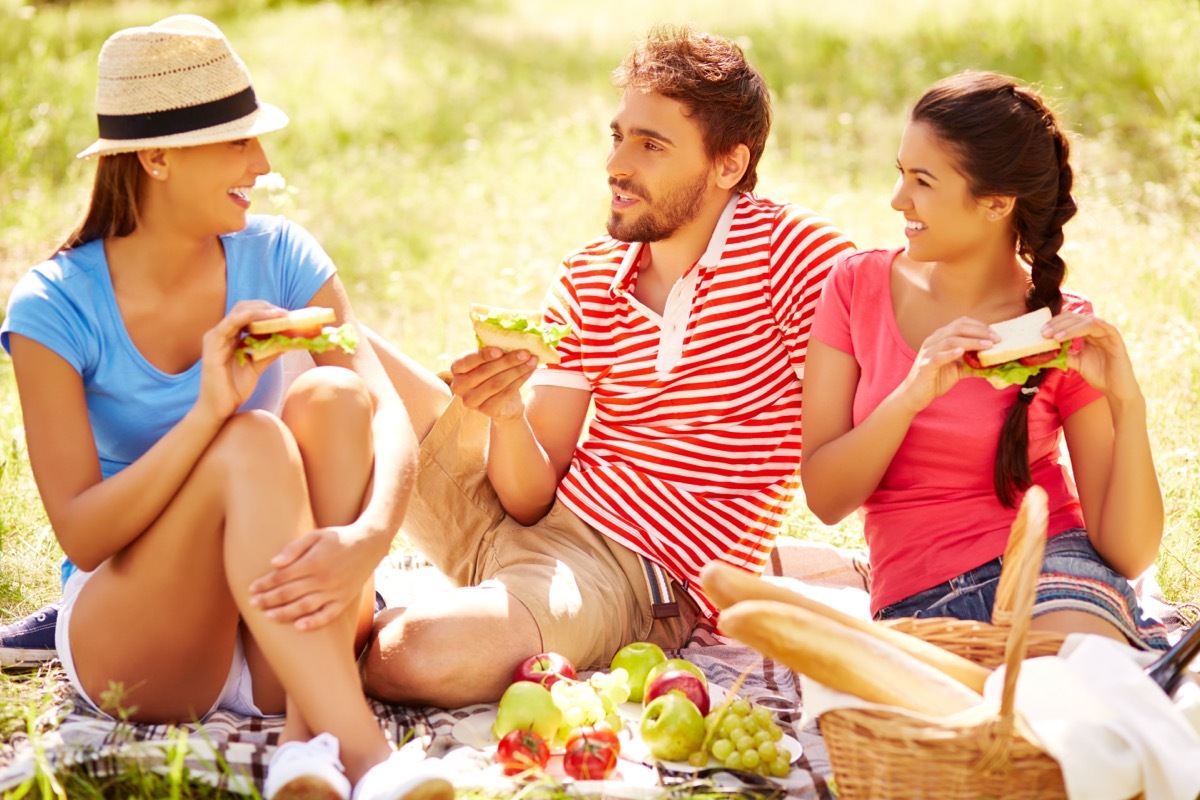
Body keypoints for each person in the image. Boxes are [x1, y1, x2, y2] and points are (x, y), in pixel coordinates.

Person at [0, 15, 452, 800]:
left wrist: (368, 539)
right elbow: (82, 529)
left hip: (281, 631)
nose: (264, 163)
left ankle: (302, 749)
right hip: (141, 642)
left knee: (334, 395)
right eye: (237, 141)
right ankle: (371, 759)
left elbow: (384, 413)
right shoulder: (54, 305)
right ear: (156, 156)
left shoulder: (281, 256)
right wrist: (210, 413)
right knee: (249, 441)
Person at [360, 25, 856, 708]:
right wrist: (505, 414)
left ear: (729, 165)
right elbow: (528, 497)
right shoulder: (592, 274)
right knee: (322, 338)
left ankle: (333, 632)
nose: (618, 163)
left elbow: (875, 377)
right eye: (618, 136)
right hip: (524, 521)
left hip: (628, 577)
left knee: (407, 657)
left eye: (651, 145)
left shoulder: (791, 256)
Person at [800, 70, 1169, 650]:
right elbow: (825, 497)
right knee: (976, 726)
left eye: (922, 181)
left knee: (1079, 692)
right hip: (920, 602)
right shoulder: (855, 285)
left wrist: (1128, 403)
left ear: (996, 202)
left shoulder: (1060, 327)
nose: (899, 200)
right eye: (902, 174)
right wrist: (912, 393)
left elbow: (1127, 551)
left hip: (1052, 572)